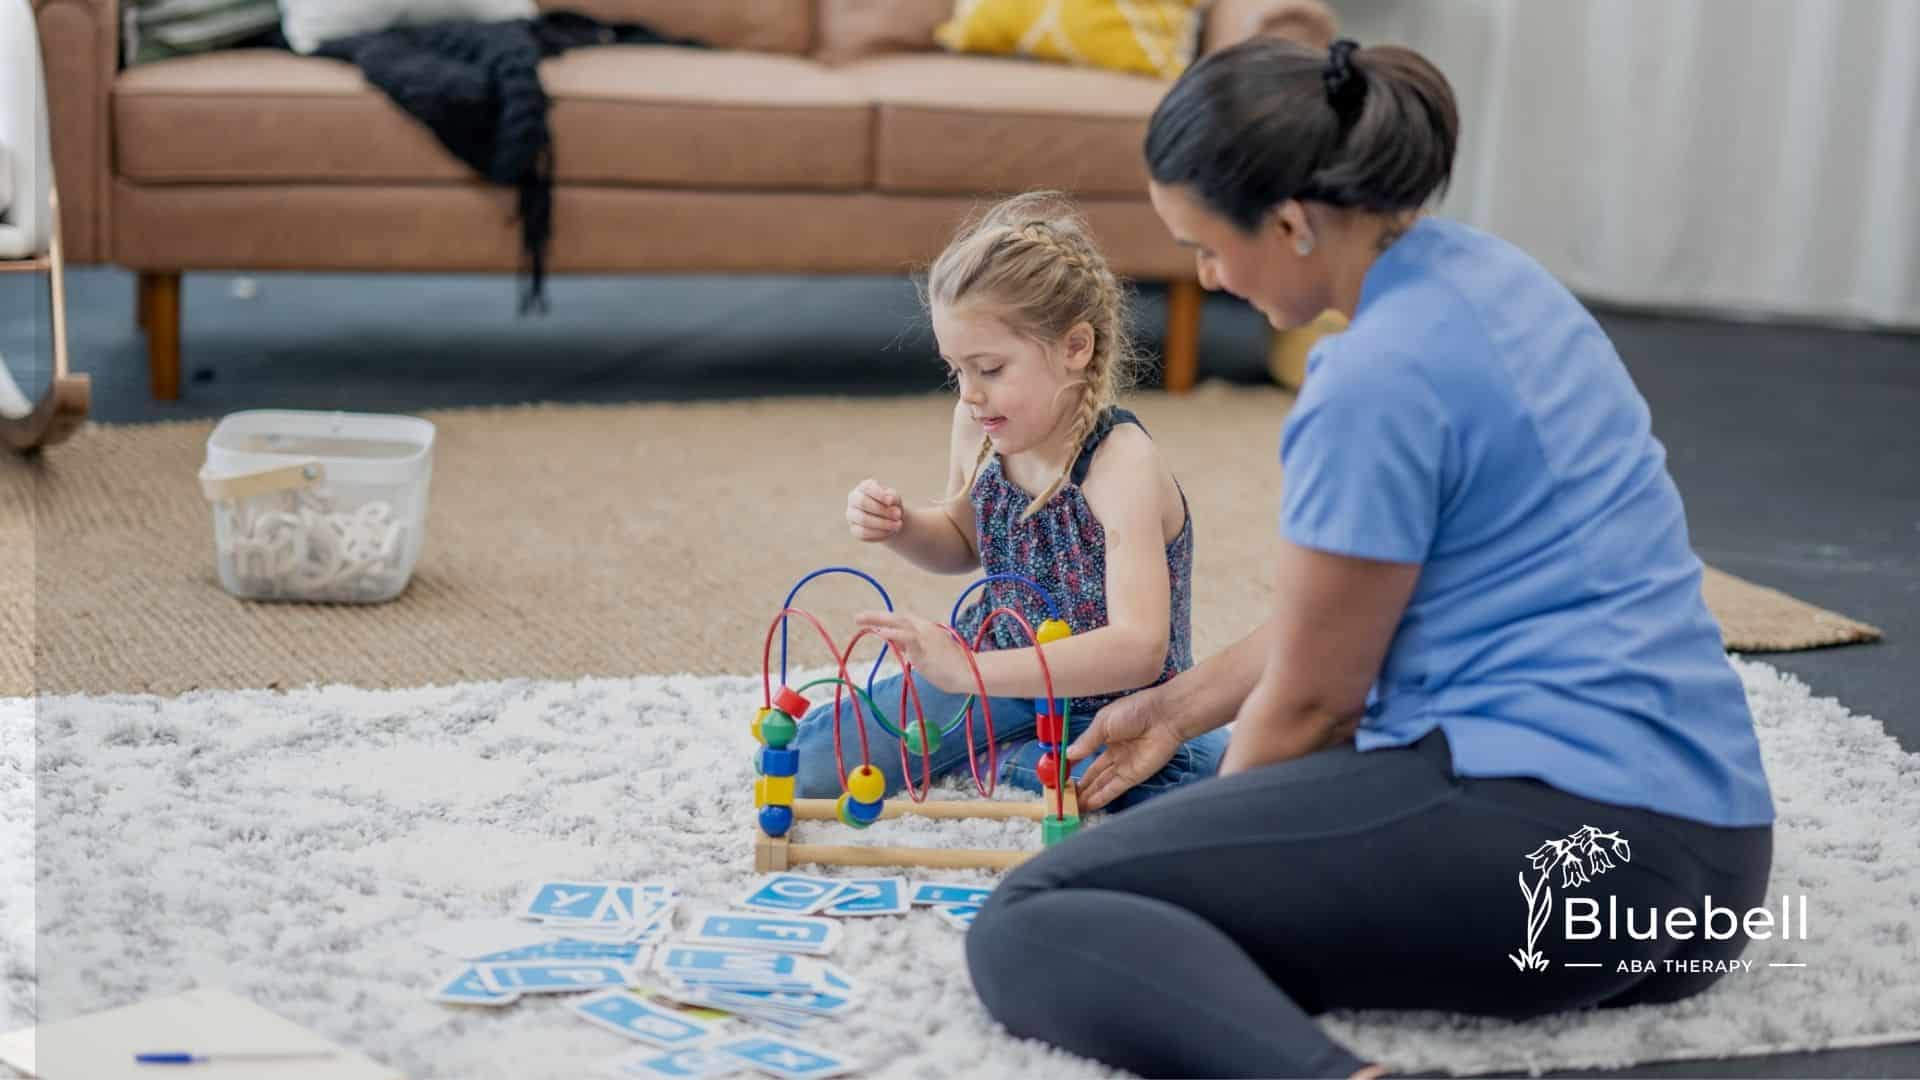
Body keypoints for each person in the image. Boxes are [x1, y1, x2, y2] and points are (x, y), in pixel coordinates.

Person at [965, 38, 1776, 1079]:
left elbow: (1314, 705)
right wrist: (1172, 712)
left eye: (1205, 246)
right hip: (1710, 867)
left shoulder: (1374, 380)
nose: (1205, 277)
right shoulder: (1501, 279)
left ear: (1294, 222)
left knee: (1040, 914)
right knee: (1177, 867)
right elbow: (1353, 611)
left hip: (1567, 855)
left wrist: (1209, 856)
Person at [789, 192, 1229, 810]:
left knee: (1209, 784)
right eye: (956, 371)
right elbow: (963, 540)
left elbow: (1139, 648)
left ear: (1076, 349)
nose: (970, 394)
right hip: (998, 670)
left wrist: (965, 675)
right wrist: (903, 526)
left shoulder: (1120, 461)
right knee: (810, 763)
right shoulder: (979, 424)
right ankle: (1012, 755)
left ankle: (1004, 759)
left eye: (990, 368)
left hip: (1112, 699)